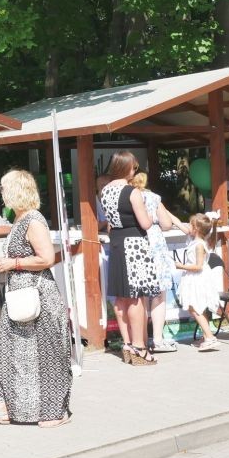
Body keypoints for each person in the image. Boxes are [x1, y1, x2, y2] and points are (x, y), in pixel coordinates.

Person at [0, 169, 73, 427]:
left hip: (39, 297)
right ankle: (3, 406)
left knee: (47, 356)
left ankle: (56, 412)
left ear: (16, 190)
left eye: (3, 187)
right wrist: (4, 263)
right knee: (3, 352)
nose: (1, 192)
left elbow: (47, 258)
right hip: (19, 297)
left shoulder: (33, 220)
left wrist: (13, 263)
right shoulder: (19, 219)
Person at [100, 151, 160, 366]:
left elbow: (110, 222)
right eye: (134, 167)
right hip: (134, 244)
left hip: (116, 242)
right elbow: (144, 223)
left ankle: (126, 344)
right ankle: (139, 347)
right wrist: (152, 216)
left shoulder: (105, 190)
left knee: (121, 297)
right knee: (136, 297)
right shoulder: (132, 192)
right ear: (126, 167)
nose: (135, 171)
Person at [132, 172, 188, 352]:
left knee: (139, 295)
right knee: (158, 293)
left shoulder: (126, 196)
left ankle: (140, 339)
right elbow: (166, 223)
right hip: (154, 243)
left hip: (134, 242)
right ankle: (157, 339)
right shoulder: (153, 197)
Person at [175, 214, 223, 351]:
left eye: (190, 224)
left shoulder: (199, 245)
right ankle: (206, 335)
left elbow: (198, 266)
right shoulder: (195, 241)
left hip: (197, 279)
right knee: (198, 307)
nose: (188, 226)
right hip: (194, 278)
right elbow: (178, 222)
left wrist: (180, 266)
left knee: (195, 308)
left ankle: (210, 337)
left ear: (196, 228)